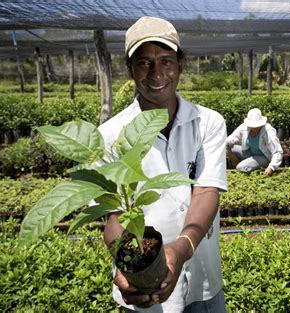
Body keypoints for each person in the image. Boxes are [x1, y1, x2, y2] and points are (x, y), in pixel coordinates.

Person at [98, 16, 228, 312]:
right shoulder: (110, 136)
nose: (157, 72)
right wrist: (127, 268)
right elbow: (115, 217)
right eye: (144, 62)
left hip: (202, 278)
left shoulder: (208, 122)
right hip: (144, 288)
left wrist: (181, 249)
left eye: (166, 60)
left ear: (180, 64)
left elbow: (208, 191)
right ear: (130, 69)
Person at [225, 108, 283, 176]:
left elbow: (277, 152)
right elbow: (231, 138)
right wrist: (228, 149)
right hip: (249, 153)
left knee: (241, 167)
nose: (255, 128)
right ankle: (244, 165)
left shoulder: (268, 132)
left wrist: (271, 167)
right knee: (231, 148)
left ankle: (245, 167)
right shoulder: (244, 127)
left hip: (264, 156)